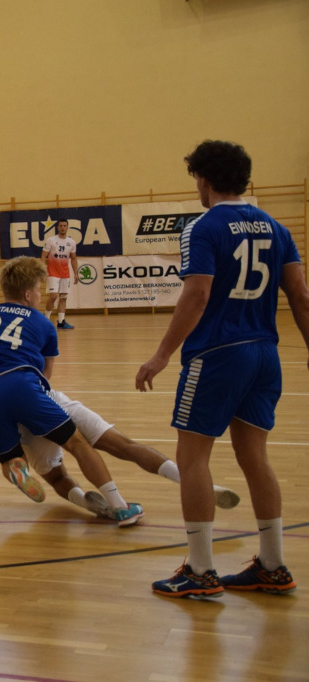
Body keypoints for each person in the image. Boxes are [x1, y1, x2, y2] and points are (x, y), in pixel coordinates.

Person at [137, 140, 309, 598]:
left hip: (217, 355)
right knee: (255, 457)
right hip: (265, 355)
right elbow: (300, 296)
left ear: (204, 180)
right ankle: (272, 565)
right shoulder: (277, 227)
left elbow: (197, 294)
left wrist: (161, 355)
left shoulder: (202, 227)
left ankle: (199, 570)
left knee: (193, 458)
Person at [0, 304, 240, 525]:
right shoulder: (11, 330)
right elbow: (43, 368)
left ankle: (93, 505)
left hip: (15, 422)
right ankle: (200, 487)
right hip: (48, 401)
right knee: (122, 446)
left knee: (56, 476)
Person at [0, 257, 143, 525]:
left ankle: (18, 467)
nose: (40, 293)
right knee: (76, 443)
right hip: (23, 389)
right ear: (28, 292)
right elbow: (45, 377)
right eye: (38, 289)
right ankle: (120, 506)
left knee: (9, 459)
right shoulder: (41, 322)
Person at [41, 218, 78, 329]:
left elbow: (73, 258)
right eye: (60, 226)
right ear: (58, 227)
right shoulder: (51, 240)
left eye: (64, 226)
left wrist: (76, 273)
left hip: (65, 274)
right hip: (52, 273)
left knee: (63, 298)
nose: (62, 227)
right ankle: (46, 321)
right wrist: (42, 270)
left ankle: (61, 322)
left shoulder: (71, 242)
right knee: (53, 296)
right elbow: (43, 256)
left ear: (67, 227)